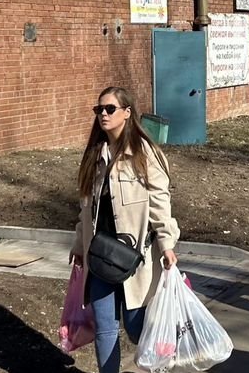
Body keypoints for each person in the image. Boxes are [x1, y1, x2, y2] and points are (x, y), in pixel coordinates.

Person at [70, 87, 180, 373]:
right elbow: (85, 208)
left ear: (127, 113)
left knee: (135, 327)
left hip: (135, 260)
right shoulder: (95, 156)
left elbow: (160, 202)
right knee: (105, 327)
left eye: (110, 109)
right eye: (99, 110)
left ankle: (160, 364)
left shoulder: (145, 154)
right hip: (99, 256)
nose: (103, 115)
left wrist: (167, 244)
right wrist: (79, 245)